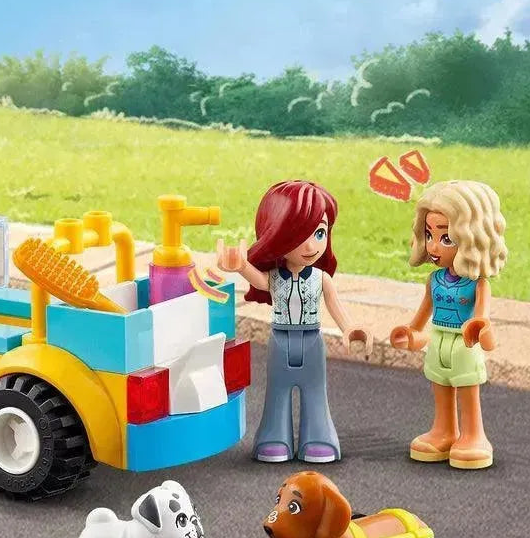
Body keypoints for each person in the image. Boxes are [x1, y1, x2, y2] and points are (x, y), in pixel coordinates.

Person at [217, 180, 372, 463]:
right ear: (277, 236)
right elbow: (259, 281)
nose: (311, 245)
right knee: (277, 390)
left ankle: (319, 437)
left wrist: (349, 328)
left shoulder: (321, 279)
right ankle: (274, 436)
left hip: (312, 341)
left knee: (315, 392)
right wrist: (241, 266)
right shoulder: (275, 278)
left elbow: (335, 305)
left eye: (319, 233)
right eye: (298, 236)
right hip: (280, 340)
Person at [390, 180, 507, 469]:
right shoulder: (434, 280)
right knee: (440, 387)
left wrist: (480, 329)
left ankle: (474, 435)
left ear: (472, 238)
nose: (433, 246)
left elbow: (482, 318)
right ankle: (444, 431)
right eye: (429, 235)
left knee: (467, 392)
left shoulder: (477, 284)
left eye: (446, 238)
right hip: (438, 340)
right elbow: (421, 317)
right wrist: (411, 334)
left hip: (464, 344)